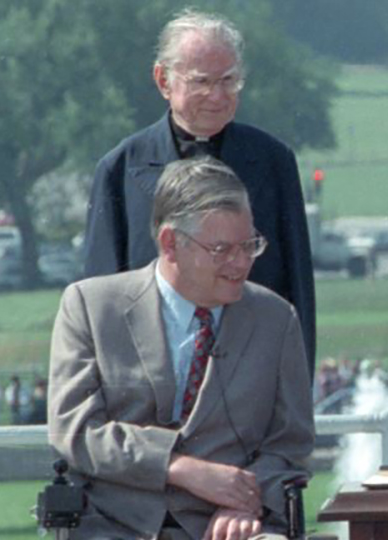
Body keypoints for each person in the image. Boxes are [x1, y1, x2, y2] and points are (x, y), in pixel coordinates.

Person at [48, 157, 313, 540]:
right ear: (171, 242)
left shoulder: (275, 320)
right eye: (223, 250)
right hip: (124, 527)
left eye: (250, 246)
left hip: (227, 533)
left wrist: (251, 498)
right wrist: (180, 468)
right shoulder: (92, 307)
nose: (241, 263)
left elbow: (289, 442)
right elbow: (75, 430)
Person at [81, 9, 316, 374]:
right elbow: (99, 300)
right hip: (150, 382)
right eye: (201, 82)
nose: (217, 96)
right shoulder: (120, 169)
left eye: (228, 80)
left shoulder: (273, 162)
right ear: (163, 80)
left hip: (250, 376)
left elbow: (297, 287)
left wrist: (299, 391)